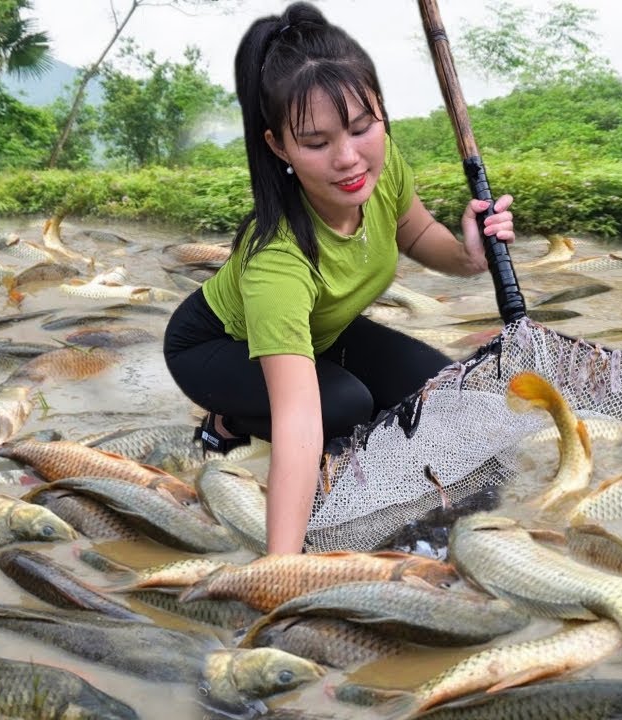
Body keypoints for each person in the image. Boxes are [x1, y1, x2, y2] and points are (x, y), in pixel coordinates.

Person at [163, 1, 514, 555]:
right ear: (279, 146)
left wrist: (471, 255)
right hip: (217, 345)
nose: (349, 159)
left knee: (446, 398)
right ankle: (227, 423)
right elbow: (300, 422)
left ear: (380, 114)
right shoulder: (278, 259)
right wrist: (283, 565)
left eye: (360, 127)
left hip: (320, 330)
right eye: (317, 142)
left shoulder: (382, 164)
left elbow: (416, 232)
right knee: (344, 407)